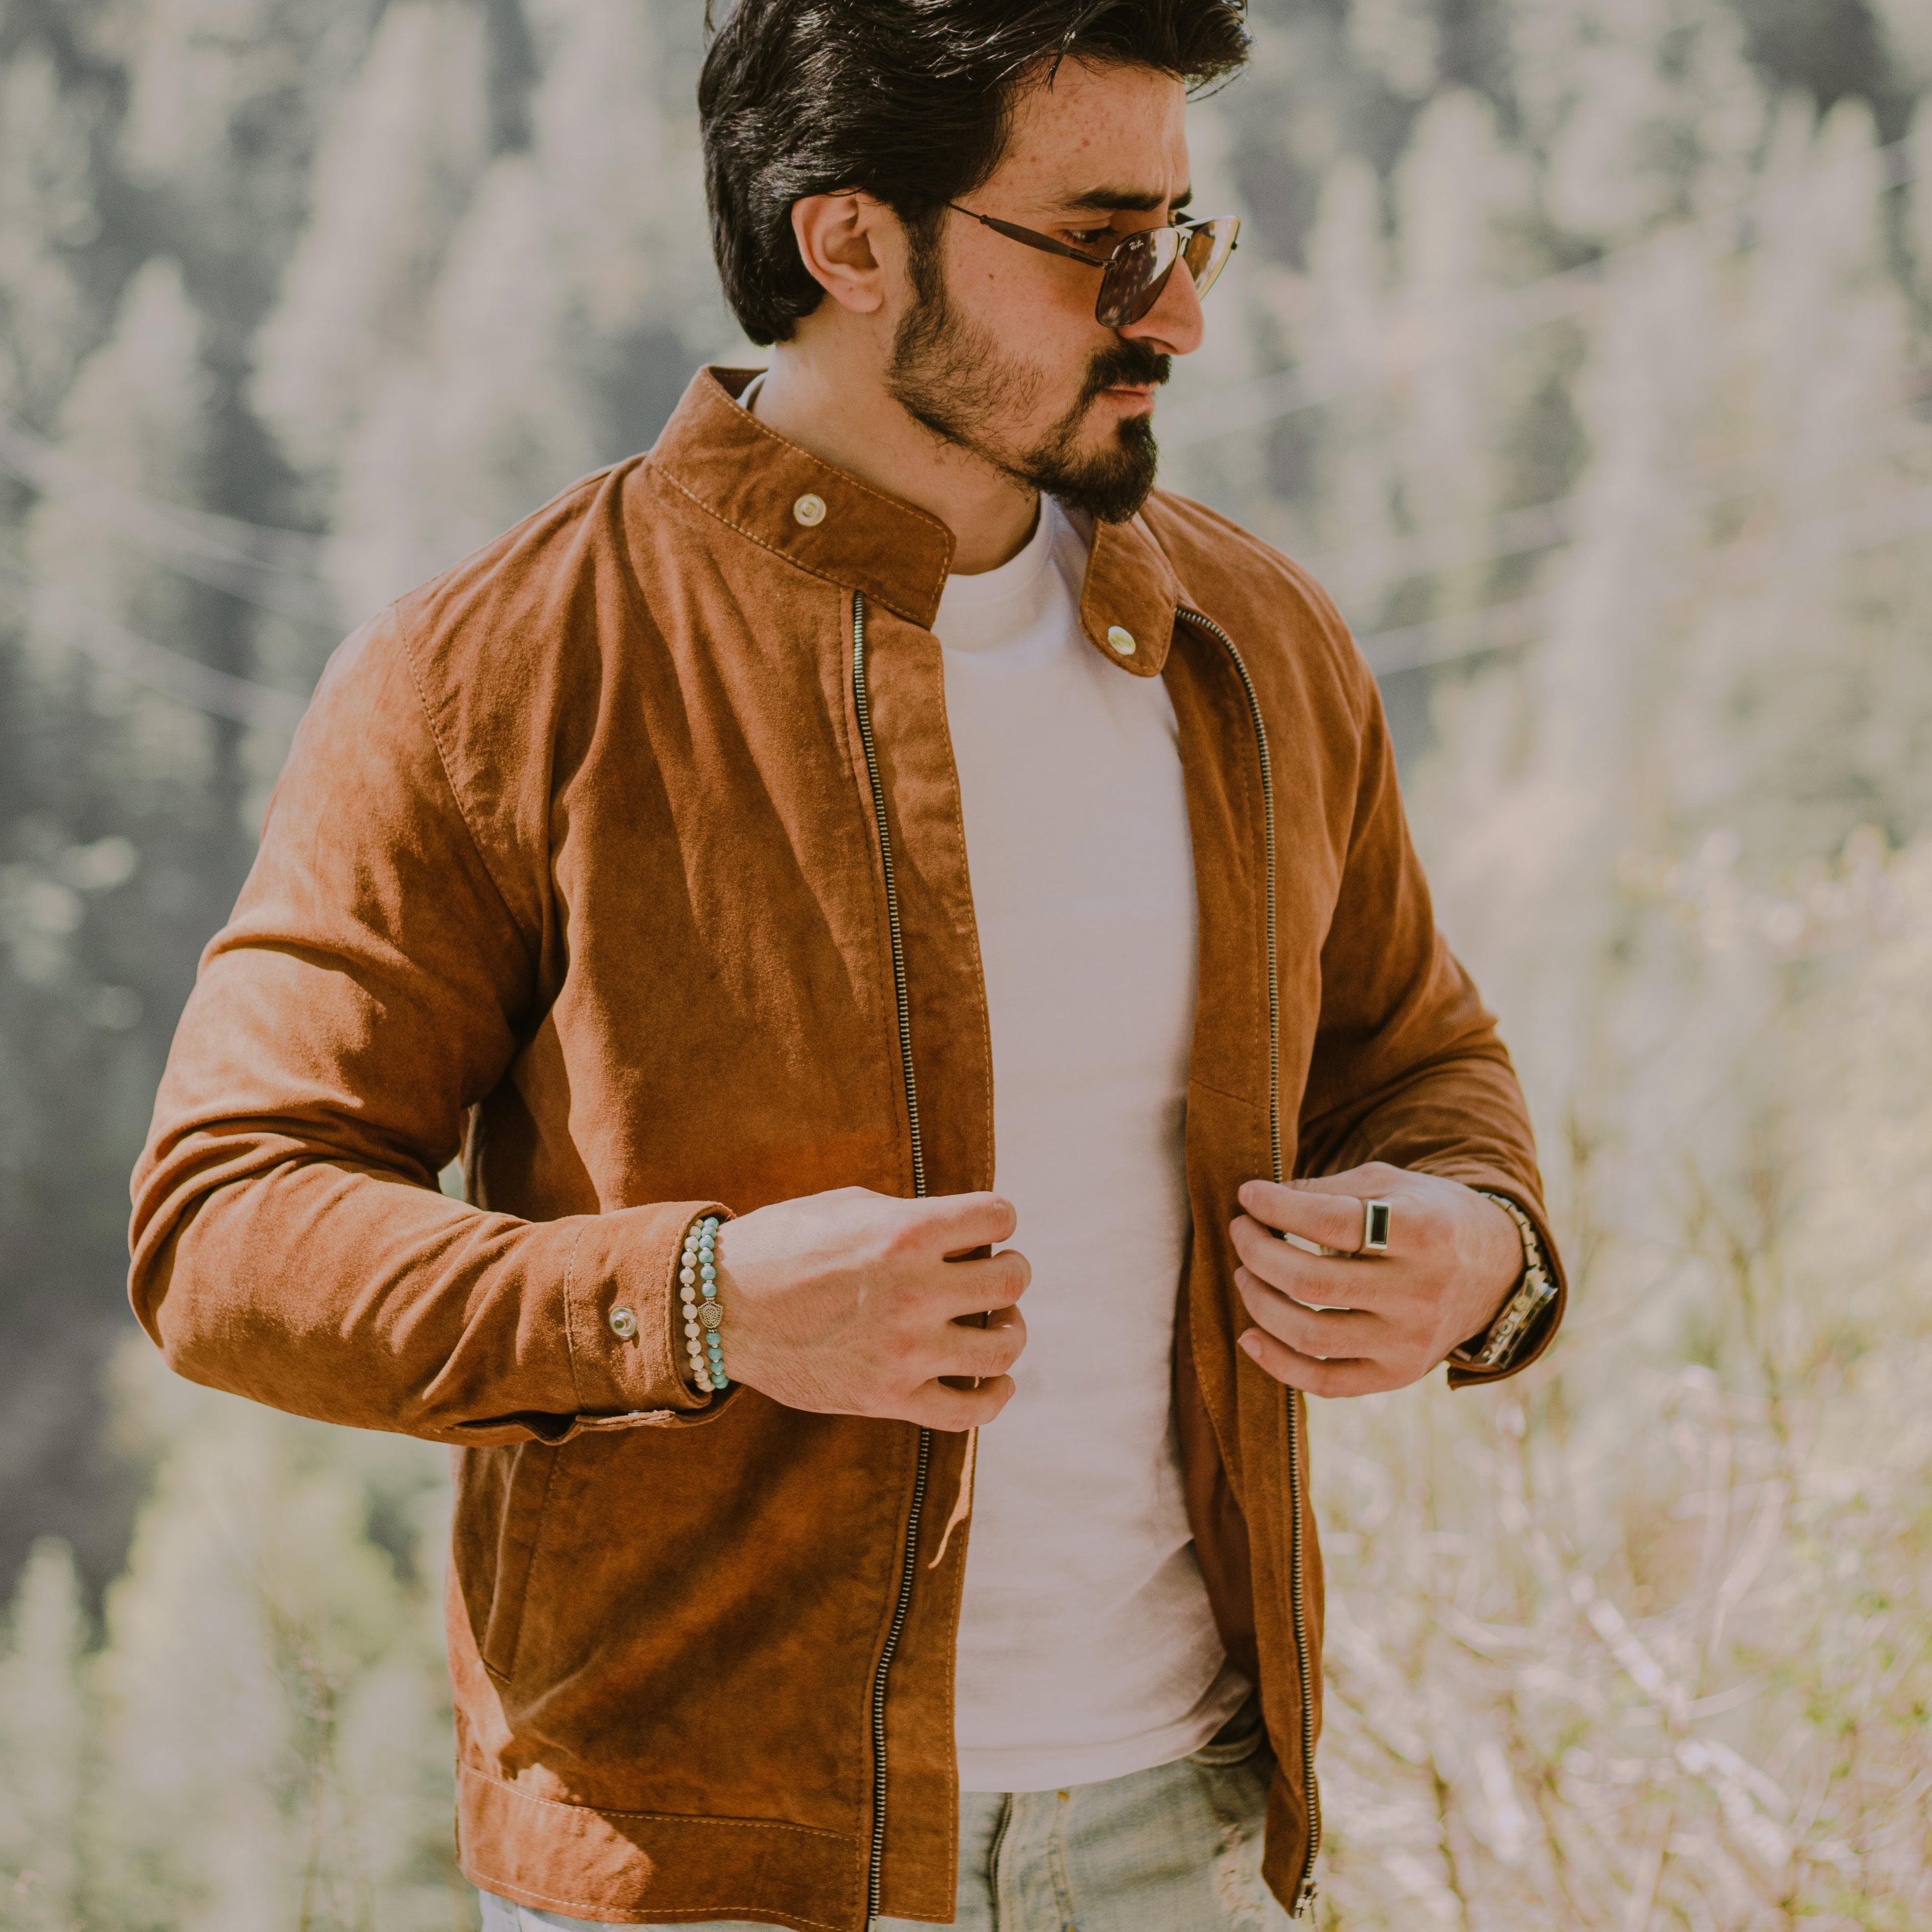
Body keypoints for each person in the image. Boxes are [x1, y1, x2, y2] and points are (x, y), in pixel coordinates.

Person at [130, 1, 1566, 1925]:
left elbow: (1421, 1055)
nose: (1178, 317)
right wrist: (703, 1305)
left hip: (1185, 1833)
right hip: (708, 1862)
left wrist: (1481, 1249)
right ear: (853, 242)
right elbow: (226, 1231)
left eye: (1189, 241)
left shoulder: (1256, 639)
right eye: (1104, 245)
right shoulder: (496, 672)